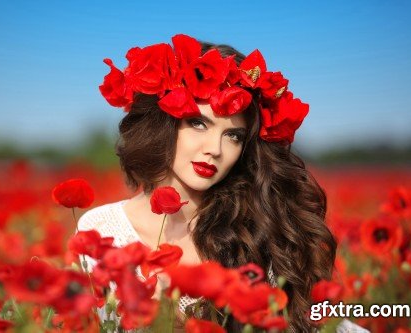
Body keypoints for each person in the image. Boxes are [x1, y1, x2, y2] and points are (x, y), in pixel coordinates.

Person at [78, 34, 367, 332]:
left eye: (233, 136)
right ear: (164, 122)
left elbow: (323, 323)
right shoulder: (101, 229)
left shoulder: (257, 228)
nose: (215, 149)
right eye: (198, 123)